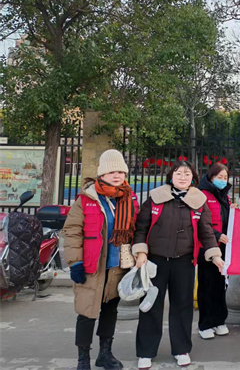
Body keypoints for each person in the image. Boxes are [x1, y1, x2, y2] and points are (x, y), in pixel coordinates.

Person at [132, 161, 224, 369]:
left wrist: (215, 256)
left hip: (184, 262)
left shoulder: (198, 201)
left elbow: (206, 232)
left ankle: (181, 349)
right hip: (155, 261)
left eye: (187, 174)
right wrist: (141, 252)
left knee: (182, 306)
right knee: (150, 306)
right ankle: (146, 352)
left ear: (193, 178)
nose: (183, 177)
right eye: (178, 173)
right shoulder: (155, 198)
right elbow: (141, 228)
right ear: (171, 176)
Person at [63, 149, 140, 370]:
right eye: (112, 172)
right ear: (102, 174)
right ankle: (83, 359)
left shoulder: (129, 199)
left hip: (117, 267)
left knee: (110, 311)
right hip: (91, 267)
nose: (117, 176)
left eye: (121, 172)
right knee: (87, 313)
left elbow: (136, 230)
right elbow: (72, 232)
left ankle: (105, 354)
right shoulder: (86, 199)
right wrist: (75, 262)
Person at [196, 163, 231, 339]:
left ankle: (219, 321)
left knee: (220, 285)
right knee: (206, 286)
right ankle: (205, 324)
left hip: (223, 248)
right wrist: (216, 235)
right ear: (211, 177)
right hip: (207, 247)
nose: (223, 180)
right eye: (219, 177)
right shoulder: (202, 195)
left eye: (225, 177)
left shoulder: (224, 196)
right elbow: (200, 222)